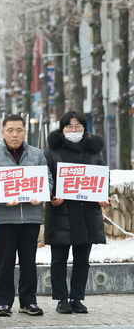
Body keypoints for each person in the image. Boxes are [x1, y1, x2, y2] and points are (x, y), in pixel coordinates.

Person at [0, 114, 51, 317]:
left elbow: (48, 178)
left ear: (25, 132)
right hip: (4, 218)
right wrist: (2, 198)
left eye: (19, 130)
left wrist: (41, 194)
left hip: (30, 217)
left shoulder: (37, 154)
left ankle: (28, 301)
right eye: (10, 130)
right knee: (5, 261)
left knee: (29, 261)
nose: (14, 134)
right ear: (3, 132)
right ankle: (3, 302)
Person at [45, 111, 107, 315]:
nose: (74, 130)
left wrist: (101, 194)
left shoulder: (94, 151)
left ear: (84, 128)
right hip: (61, 211)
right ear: (62, 129)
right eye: (69, 127)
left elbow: (101, 176)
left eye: (78, 126)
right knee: (58, 259)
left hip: (87, 213)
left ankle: (77, 297)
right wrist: (52, 195)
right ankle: (62, 298)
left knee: (83, 259)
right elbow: (47, 178)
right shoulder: (52, 151)